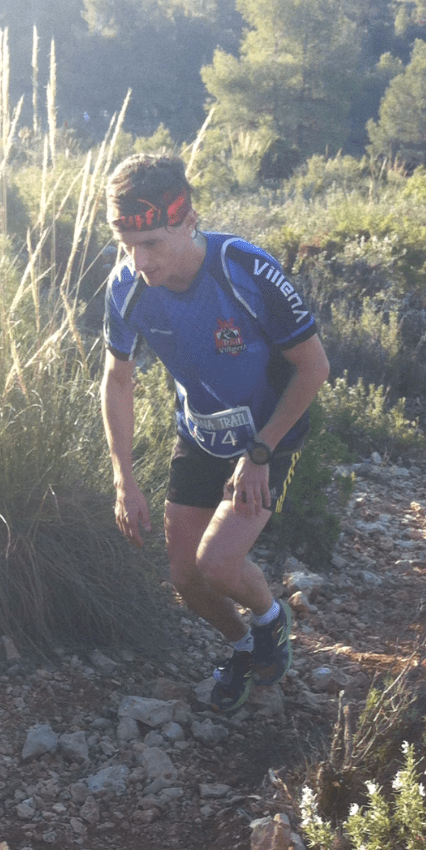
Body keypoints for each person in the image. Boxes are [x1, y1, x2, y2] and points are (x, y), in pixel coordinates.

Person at [100, 153, 329, 713]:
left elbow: (314, 367)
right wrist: (123, 480)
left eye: (152, 242)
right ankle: (245, 646)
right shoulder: (127, 285)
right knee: (186, 578)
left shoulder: (243, 269)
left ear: (187, 220)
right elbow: (117, 380)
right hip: (200, 434)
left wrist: (260, 452)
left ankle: (272, 622)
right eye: (127, 244)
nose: (139, 259)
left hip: (270, 435)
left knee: (219, 564)